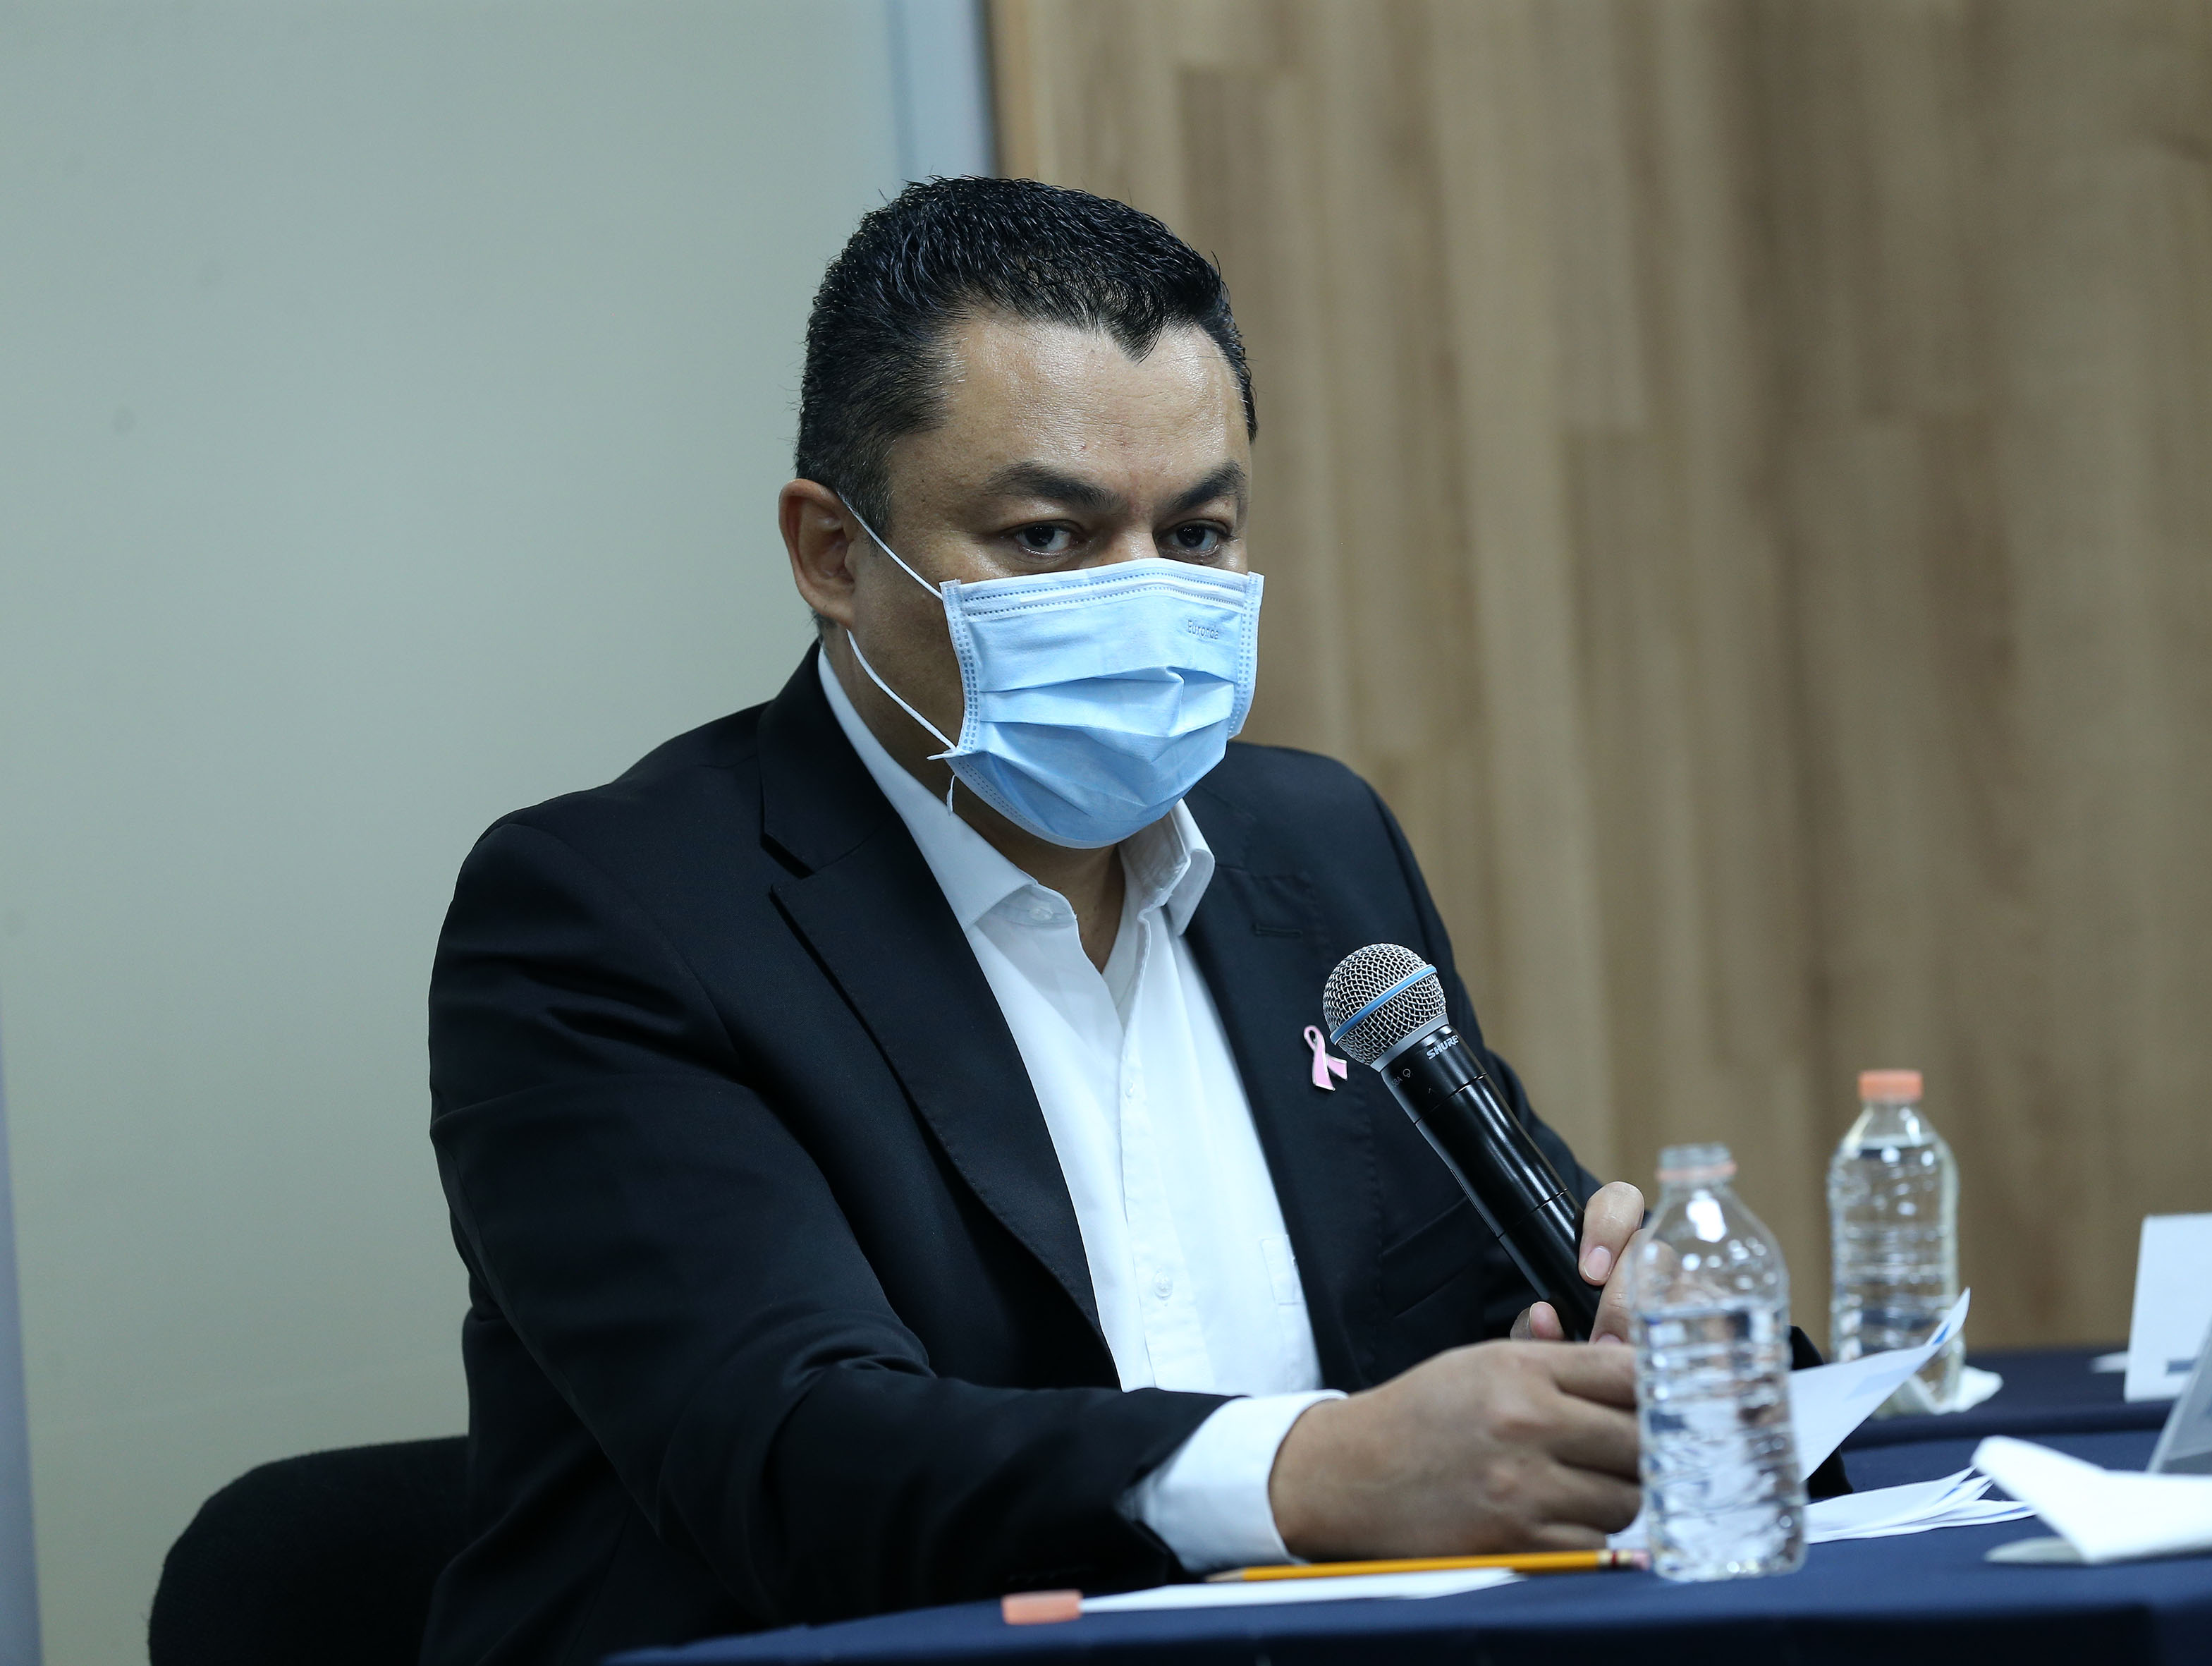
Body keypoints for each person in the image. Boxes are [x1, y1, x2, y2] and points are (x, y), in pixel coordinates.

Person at [422, 178, 1830, 1666]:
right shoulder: (610, 914)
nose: (1146, 601)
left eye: (1199, 530)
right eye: (1048, 536)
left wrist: (1648, 1339)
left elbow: (1502, 1310)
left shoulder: (1316, 848)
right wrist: (1306, 1471)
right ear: (833, 553)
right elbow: (797, 1456)